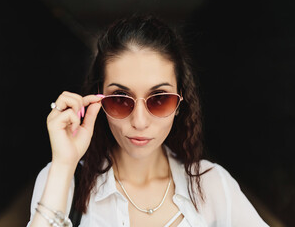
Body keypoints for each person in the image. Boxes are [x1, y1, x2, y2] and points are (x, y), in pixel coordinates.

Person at [27, 14, 269, 227]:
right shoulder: (63, 180)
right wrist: (64, 165)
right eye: (120, 100)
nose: (140, 122)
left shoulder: (212, 185)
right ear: (99, 97)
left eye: (159, 99)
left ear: (180, 101)